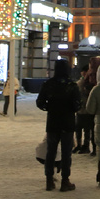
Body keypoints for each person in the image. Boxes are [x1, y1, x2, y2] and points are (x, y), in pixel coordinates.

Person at [36, 58, 80, 192]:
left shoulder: (49, 84)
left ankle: (49, 180)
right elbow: (77, 105)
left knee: (51, 151)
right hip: (67, 122)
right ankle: (65, 180)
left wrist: (49, 107)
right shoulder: (72, 85)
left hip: (53, 121)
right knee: (67, 152)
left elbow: (40, 102)